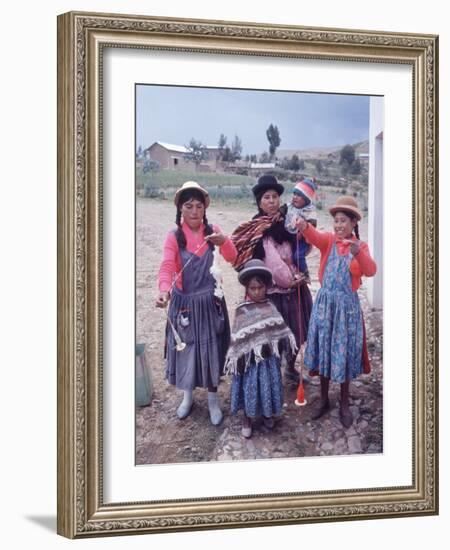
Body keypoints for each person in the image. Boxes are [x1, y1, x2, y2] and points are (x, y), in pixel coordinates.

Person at [156, 181, 237, 425]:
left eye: (198, 206)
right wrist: (163, 290)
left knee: (211, 350)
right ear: (180, 208)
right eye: (188, 206)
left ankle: (213, 400)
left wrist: (224, 241)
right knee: (187, 350)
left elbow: (233, 257)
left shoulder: (213, 231)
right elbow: (167, 265)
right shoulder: (174, 237)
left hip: (210, 303)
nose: (194, 211)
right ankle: (187, 397)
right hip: (185, 304)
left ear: (205, 208)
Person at [296, 195, 377, 428]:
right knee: (323, 350)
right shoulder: (329, 241)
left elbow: (370, 271)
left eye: (344, 221)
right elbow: (315, 236)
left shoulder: (360, 247)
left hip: (346, 310)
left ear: (353, 223)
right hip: (325, 306)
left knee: (342, 355)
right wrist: (303, 226)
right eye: (336, 221)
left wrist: (357, 253)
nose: (339, 225)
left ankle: (343, 402)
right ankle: (323, 399)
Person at [231, 174, 312, 384]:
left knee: (297, 331)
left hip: (295, 286)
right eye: (266, 197)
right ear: (259, 201)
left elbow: (298, 246)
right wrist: (288, 279)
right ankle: (273, 373)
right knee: (274, 335)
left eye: (275, 196)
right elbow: (272, 259)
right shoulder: (257, 228)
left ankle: (291, 368)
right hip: (274, 290)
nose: (272, 201)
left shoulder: (287, 220)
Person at [225, 260, 297, 438]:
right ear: (247, 289)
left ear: (266, 287)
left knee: (267, 385)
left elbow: (279, 330)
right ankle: (248, 417)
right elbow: (238, 339)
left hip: (268, 362)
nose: (257, 291)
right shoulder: (242, 311)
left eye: (260, 287)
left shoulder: (270, 307)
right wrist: (240, 356)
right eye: (252, 288)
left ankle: (266, 413)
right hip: (250, 364)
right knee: (250, 387)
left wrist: (284, 341)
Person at [284, 177, 318, 282]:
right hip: (291, 236)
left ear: (307, 199)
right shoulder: (289, 206)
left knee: (298, 256)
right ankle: (295, 273)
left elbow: (312, 225)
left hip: (302, 240)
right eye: (294, 194)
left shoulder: (309, 211)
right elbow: (282, 210)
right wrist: (279, 213)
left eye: (299, 195)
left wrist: (303, 231)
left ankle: (305, 273)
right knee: (288, 256)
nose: (295, 197)